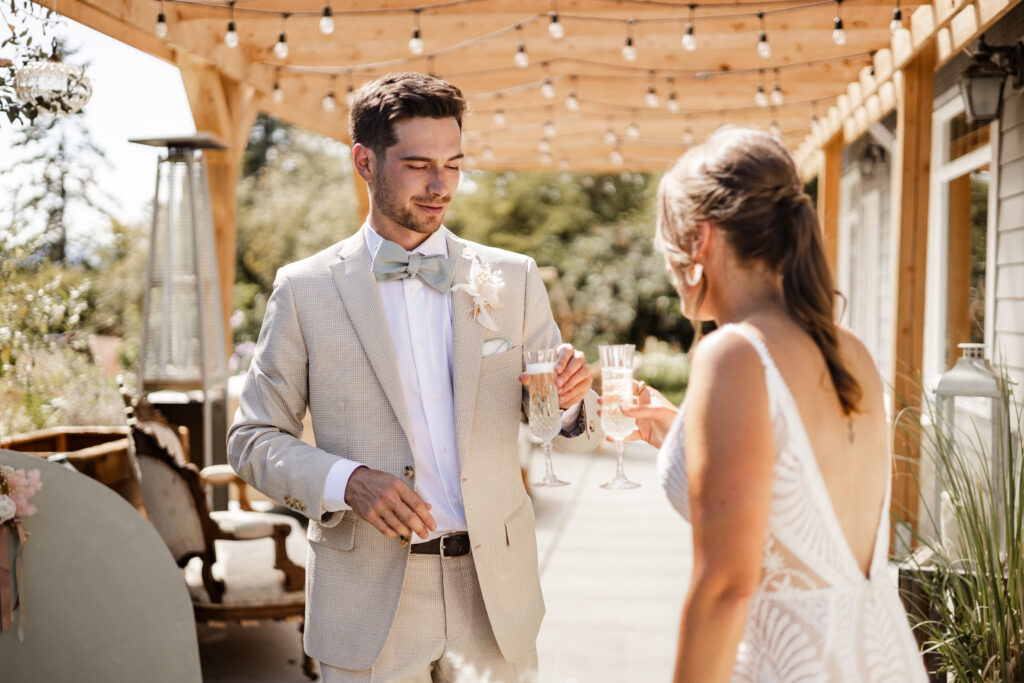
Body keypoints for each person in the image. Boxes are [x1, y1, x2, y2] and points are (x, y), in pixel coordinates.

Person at [228, 72, 601, 683]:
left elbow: (557, 427)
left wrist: (566, 403)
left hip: (493, 593)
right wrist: (347, 482)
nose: (440, 186)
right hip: (368, 598)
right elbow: (252, 439)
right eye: (418, 164)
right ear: (364, 162)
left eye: (453, 165)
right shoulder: (305, 290)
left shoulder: (513, 278)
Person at [623, 127, 927, 681]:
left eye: (668, 244)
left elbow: (725, 589)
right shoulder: (847, 346)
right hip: (877, 654)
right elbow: (801, 490)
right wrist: (680, 433)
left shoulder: (735, 354)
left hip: (792, 662)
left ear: (700, 241)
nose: (670, 269)